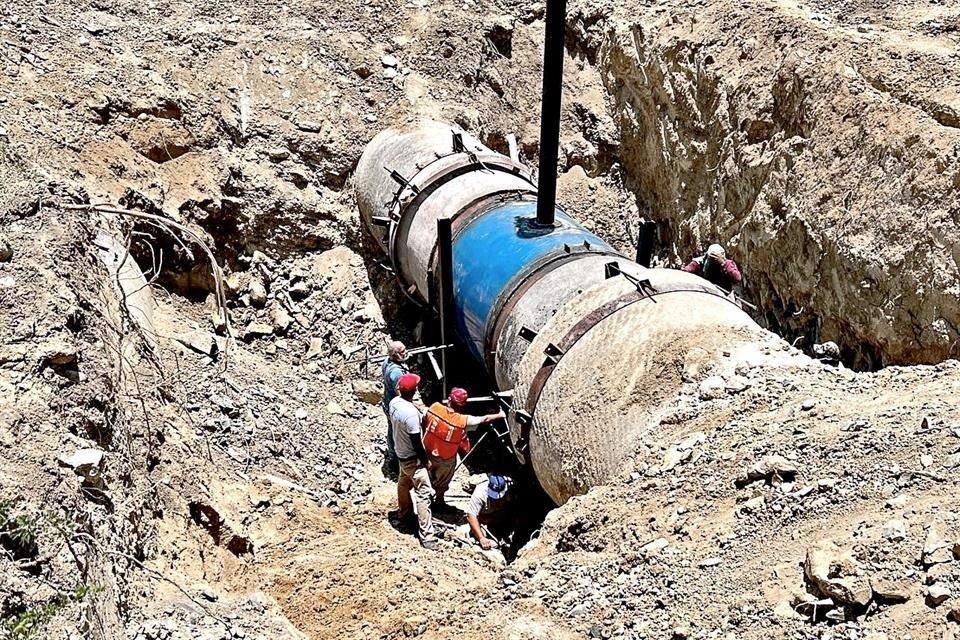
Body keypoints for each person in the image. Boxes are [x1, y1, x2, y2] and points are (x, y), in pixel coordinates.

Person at [422, 388, 505, 511]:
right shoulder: (462, 421)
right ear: (463, 405)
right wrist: (500, 414)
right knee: (442, 482)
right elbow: (484, 419)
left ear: (449, 399)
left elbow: (423, 418)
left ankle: (423, 502)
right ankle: (438, 503)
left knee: (425, 477)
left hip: (427, 451)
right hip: (446, 458)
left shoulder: (434, 408)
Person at [389, 372, 437, 550]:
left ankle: (404, 514)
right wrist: (426, 462)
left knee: (403, 483)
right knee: (424, 493)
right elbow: (417, 443)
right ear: (415, 390)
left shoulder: (395, 402)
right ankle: (427, 536)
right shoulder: (411, 415)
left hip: (400, 451)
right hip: (412, 458)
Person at [466, 474, 513, 550]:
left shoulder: (509, 489)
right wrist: (481, 538)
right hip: (484, 517)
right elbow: (471, 516)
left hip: (500, 515)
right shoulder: (479, 493)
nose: (496, 499)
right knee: (494, 544)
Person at [381, 340, 408, 472]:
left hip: (387, 402)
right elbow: (401, 392)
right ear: (396, 355)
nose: (406, 352)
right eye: (402, 351)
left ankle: (393, 456)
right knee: (396, 434)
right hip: (394, 407)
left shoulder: (387, 361)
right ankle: (394, 461)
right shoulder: (396, 373)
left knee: (392, 431)